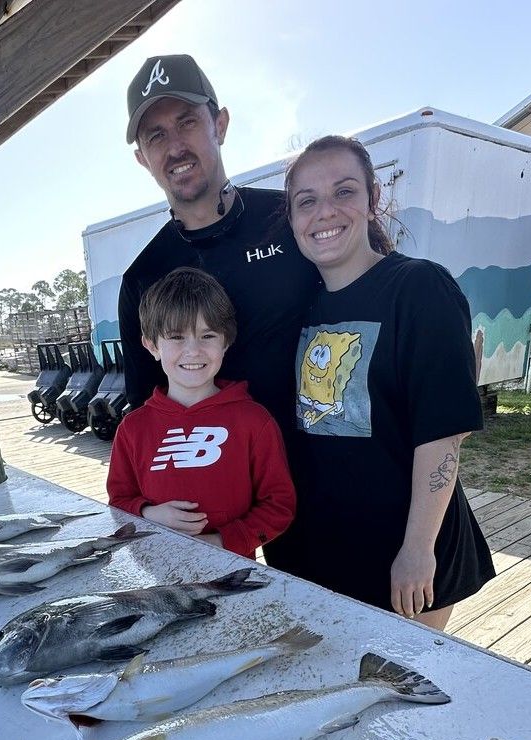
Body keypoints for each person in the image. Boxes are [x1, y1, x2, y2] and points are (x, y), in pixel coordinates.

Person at [279, 135, 494, 630]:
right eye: (306, 201)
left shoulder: (420, 288)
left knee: (398, 692)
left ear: (375, 200)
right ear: (292, 219)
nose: (325, 212)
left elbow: (443, 433)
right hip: (319, 552)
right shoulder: (299, 306)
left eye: (344, 192)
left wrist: (417, 549)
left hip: (407, 555)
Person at [118, 54, 320, 441]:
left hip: (332, 472)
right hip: (229, 492)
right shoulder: (143, 277)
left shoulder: (290, 220)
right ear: (142, 159)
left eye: (187, 121)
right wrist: (144, 504)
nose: (175, 147)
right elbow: (147, 415)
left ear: (220, 125)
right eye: (156, 135)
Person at [107, 267, 295, 558]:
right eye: (177, 337)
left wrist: (222, 542)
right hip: (155, 569)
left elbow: (279, 504)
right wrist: (147, 512)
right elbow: (118, 500)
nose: (193, 351)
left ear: (226, 342)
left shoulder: (254, 421)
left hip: (232, 574)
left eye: (207, 335)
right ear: (151, 345)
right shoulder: (133, 428)